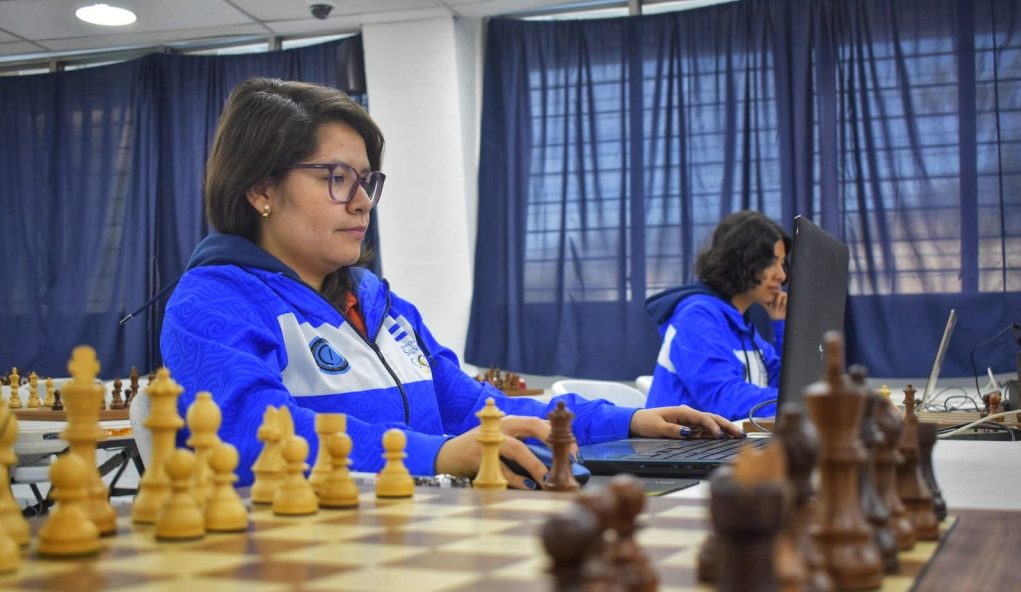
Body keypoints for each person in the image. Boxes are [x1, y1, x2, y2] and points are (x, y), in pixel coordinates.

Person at [161, 77, 741, 489]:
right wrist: (437, 454)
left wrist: (629, 421)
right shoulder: (212, 302)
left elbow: (472, 406)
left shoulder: (382, 306)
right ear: (260, 190)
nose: (362, 202)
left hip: (416, 537)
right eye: (336, 177)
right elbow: (252, 430)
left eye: (366, 181)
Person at [644, 210, 791, 420]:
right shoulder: (696, 317)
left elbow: (782, 384)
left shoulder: (742, 326)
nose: (782, 275)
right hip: (682, 441)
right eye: (771, 262)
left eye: (782, 263)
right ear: (742, 260)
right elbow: (725, 399)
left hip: (721, 439)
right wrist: (802, 403)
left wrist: (781, 326)